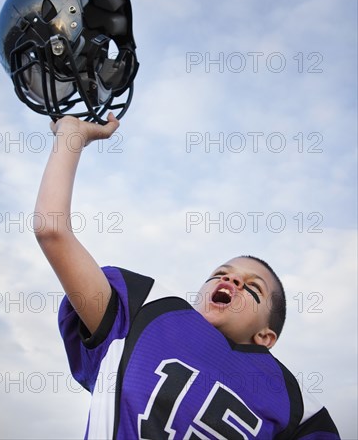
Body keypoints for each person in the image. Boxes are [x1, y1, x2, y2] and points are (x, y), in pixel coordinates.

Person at [34, 113, 341, 440]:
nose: (232, 281)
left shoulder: (300, 410)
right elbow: (52, 230)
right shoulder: (143, 310)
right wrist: (72, 133)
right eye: (221, 273)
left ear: (266, 337)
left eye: (253, 287)